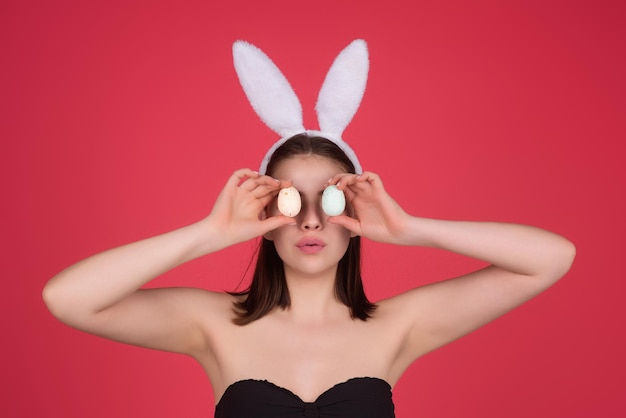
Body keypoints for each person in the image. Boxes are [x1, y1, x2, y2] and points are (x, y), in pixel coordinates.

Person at [43, 40, 576, 417]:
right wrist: (209, 233)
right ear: (267, 216)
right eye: (292, 200)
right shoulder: (212, 323)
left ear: (356, 215)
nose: (312, 220)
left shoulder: (398, 326)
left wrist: (412, 228)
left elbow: (550, 257)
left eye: (332, 199)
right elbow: (68, 298)